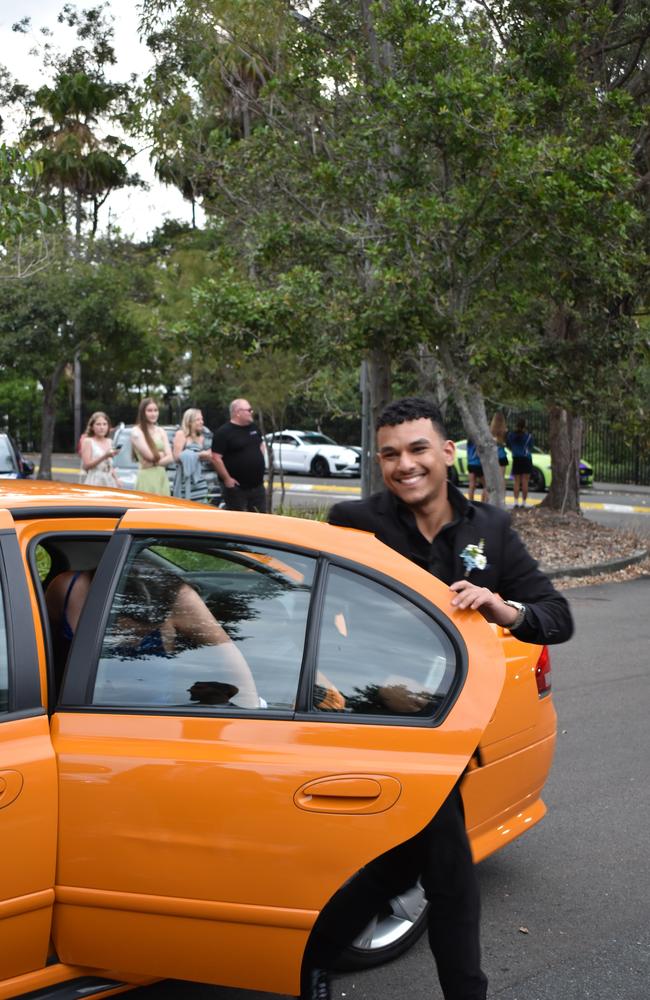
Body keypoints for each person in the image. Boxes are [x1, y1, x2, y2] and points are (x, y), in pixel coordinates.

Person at [306, 397, 573, 1000]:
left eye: (418, 449)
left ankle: (311, 959)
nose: (405, 465)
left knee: (403, 865)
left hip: (451, 729)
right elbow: (311, 610)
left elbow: (556, 617)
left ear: (446, 452)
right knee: (450, 873)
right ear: (380, 460)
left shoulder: (491, 530)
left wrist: (501, 607)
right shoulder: (352, 521)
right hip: (375, 722)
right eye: (391, 454)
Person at [210, 398, 267, 512]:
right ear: (238, 412)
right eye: (249, 410)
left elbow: (260, 445)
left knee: (260, 520)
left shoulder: (253, 428)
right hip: (237, 488)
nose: (251, 412)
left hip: (257, 487)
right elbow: (216, 458)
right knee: (239, 521)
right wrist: (227, 480)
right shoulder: (224, 432)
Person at [132, 397, 173, 496]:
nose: (153, 413)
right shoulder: (137, 431)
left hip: (161, 477)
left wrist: (153, 462)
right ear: (143, 412)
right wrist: (162, 454)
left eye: (155, 410)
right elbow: (151, 456)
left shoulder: (161, 431)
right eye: (149, 410)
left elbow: (171, 457)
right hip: (146, 479)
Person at [172, 408, 212, 502]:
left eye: (202, 419)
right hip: (184, 481)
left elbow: (210, 455)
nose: (201, 422)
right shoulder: (181, 434)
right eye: (198, 419)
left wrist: (207, 455)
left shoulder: (203, 437)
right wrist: (198, 455)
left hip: (200, 481)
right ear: (189, 422)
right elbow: (176, 457)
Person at [80, 412, 122, 488]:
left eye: (104, 424)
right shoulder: (88, 441)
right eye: (98, 424)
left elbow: (109, 465)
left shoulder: (110, 441)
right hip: (95, 480)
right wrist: (105, 456)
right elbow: (86, 466)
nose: (102, 427)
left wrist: (116, 479)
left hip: (109, 481)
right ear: (92, 427)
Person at [506, 418, 534, 508]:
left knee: (516, 482)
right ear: (525, 426)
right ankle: (524, 502)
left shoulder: (511, 436)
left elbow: (509, 445)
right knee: (525, 482)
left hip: (516, 459)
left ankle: (515, 502)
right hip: (526, 459)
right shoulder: (529, 436)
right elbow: (530, 447)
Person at [490, 411, 509, 484]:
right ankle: (501, 494)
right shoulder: (505, 431)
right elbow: (506, 443)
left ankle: (492, 495)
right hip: (502, 456)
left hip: (492, 456)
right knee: (501, 479)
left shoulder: (490, 431)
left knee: (492, 479)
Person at [466, 438, 486, 502]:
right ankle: (483, 503)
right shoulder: (479, 442)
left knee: (471, 484)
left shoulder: (469, 441)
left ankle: (470, 502)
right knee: (486, 485)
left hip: (470, 464)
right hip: (478, 464)